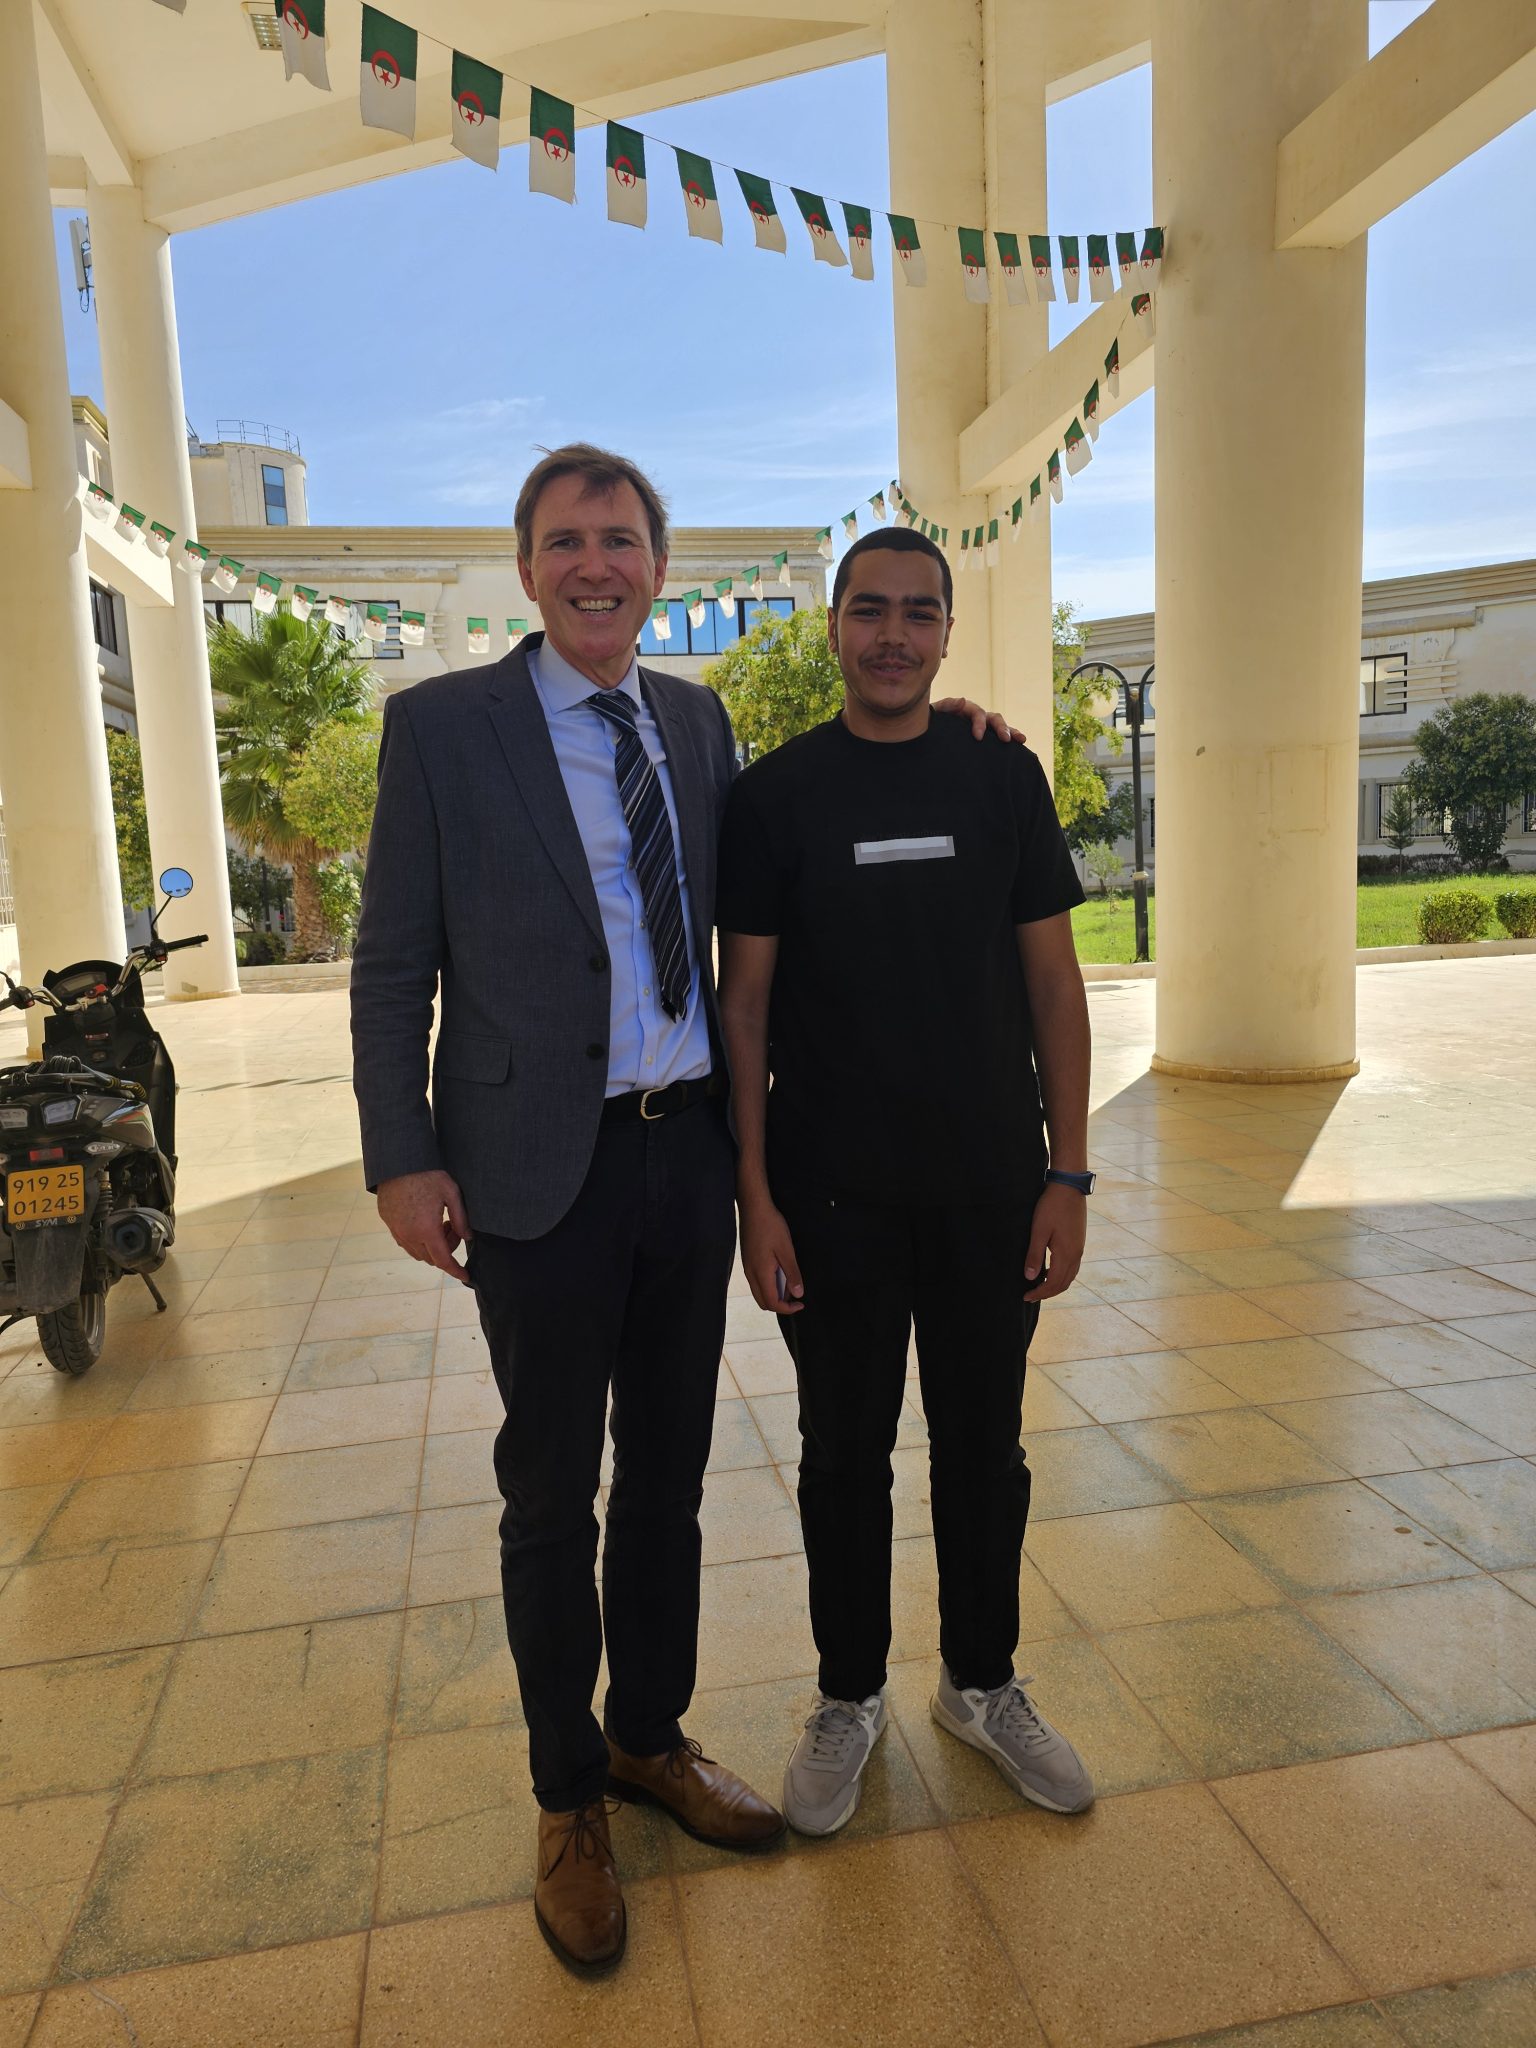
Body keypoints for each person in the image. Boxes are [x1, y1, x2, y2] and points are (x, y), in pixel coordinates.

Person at [349, 446, 1017, 1974]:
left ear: (659, 567)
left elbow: (799, 851)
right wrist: (401, 1153)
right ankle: (565, 1799)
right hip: (534, 1167)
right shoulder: (442, 728)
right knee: (549, 1493)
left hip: (684, 1157)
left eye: (622, 540)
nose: (596, 564)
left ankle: (647, 1736)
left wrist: (958, 734)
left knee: (668, 1479)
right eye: (566, 540)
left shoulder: (698, 723)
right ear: (528, 567)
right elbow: (393, 965)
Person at [715, 523, 1097, 1839]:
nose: (893, 635)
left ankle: (981, 1685)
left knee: (986, 1450)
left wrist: (1069, 1175)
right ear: (833, 626)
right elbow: (745, 1009)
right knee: (844, 1456)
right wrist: (755, 1196)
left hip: (992, 1188)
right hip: (830, 1196)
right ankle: (848, 1695)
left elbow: (1054, 985)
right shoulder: (775, 797)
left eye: (918, 612)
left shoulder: (1001, 776)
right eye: (868, 609)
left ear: (945, 632)